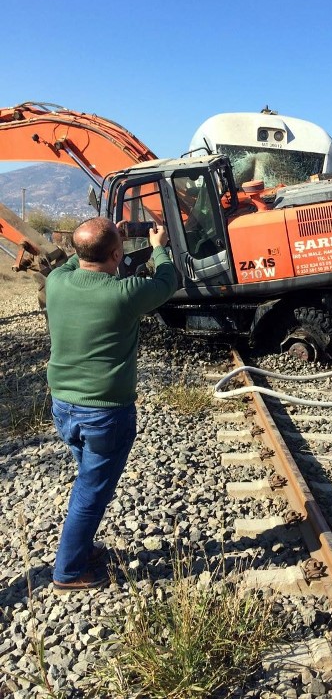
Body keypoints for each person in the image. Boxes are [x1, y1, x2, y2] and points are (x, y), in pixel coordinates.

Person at [46, 217, 178, 591]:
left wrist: (106, 236)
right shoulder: (124, 292)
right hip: (105, 412)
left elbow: (77, 260)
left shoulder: (57, 282)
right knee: (91, 491)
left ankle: (82, 548)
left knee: (90, 479)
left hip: (63, 407)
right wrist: (159, 246)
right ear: (117, 253)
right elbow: (168, 281)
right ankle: (69, 571)